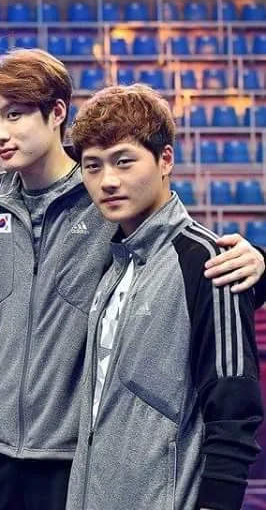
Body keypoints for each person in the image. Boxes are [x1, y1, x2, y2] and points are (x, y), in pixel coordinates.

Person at [0, 49, 265, 510]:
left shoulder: (105, 198)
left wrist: (260, 262)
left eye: (15, 115)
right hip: (0, 452)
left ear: (57, 113)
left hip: (76, 455)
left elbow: (184, 253)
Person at [65, 84, 263, 509]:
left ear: (165, 159)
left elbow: (234, 407)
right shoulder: (110, 263)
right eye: (93, 166)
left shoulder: (210, 262)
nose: (108, 181)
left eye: (124, 161)